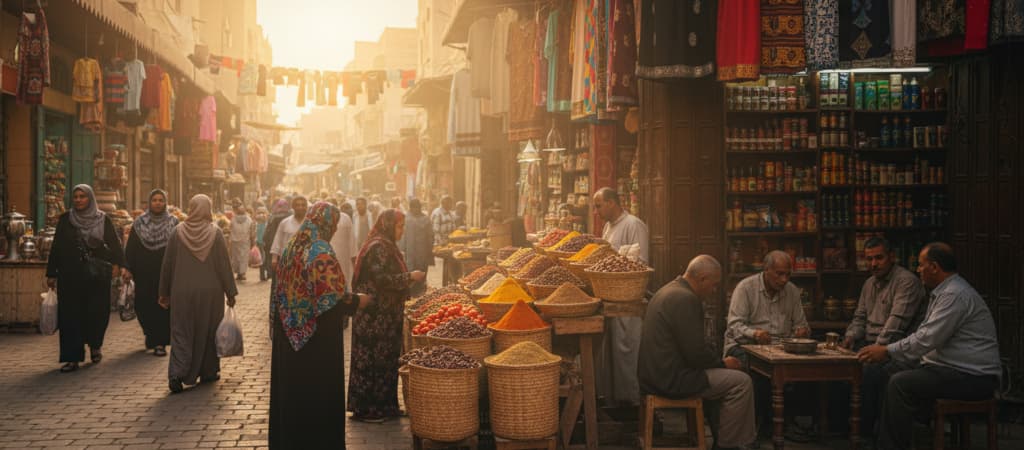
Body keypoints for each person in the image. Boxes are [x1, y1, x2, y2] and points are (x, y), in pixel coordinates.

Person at [859, 243, 1001, 450]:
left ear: (934, 267)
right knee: (885, 373)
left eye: (921, 265)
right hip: (949, 369)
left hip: (973, 376)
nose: (918, 270)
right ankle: (887, 438)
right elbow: (924, 337)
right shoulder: (943, 292)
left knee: (900, 383)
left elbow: (926, 339)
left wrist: (887, 350)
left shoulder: (954, 294)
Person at [269, 202, 373, 449]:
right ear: (326, 223)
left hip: (288, 334)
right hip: (316, 340)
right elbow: (333, 299)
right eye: (334, 224)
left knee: (292, 400)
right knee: (316, 400)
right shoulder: (320, 251)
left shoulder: (294, 244)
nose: (335, 229)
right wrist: (359, 301)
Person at [638, 255, 756, 450]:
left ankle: (724, 438)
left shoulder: (668, 289)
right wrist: (723, 363)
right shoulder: (685, 298)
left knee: (725, 379)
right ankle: (731, 445)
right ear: (702, 279)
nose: (714, 290)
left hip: (654, 375)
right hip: (670, 380)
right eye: (713, 284)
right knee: (741, 382)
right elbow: (695, 353)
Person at [841, 237, 927, 438]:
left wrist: (875, 350)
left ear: (892, 257)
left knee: (870, 372)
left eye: (878, 258)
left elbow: (895, 328)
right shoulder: (869, 283)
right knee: (836, 366)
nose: (873, 264)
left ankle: (866, 432)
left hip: (898, 350)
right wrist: (850, 337)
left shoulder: (906, 282)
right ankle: (842, 428)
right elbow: (859, 318)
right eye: (869, 259)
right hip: (869, 344)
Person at [348, 209, 427, 422]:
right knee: (373, 361)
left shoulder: (386, 244)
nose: (401, 231)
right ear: (388, 225)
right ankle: (368, 409)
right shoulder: (379, 247)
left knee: (387, 360)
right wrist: (410, 277)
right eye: (399, 226)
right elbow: (382, 279)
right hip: (374, 316)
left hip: (385, 316)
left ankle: (386, 406)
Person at [724, 250, 810, 436]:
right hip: (744, 345)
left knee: (801, 372)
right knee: (756, 375)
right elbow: (734, 326)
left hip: (779, 347)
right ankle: (751, 430)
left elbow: (801, 324)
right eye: (779, 274)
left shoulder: (792, 291)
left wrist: (802, 331)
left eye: (788, 274)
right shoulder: (745, 288)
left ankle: (784, 424)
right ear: (766, 270)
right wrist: (754, 334)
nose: (784, 279)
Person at [159, 194, 239, 393]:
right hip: (211, 292)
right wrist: (230, 292)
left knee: (181, 331)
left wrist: (163, 292)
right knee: (209, 330)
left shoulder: (177, 232)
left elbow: (167, 265)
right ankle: (209, 371)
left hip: (182, 291)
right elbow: (224, 265)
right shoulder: (216, 233)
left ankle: (177, 374)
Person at [45, 185, 126, 373]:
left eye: (83, 196)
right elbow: (56, 247)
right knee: (70, 317)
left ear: (90, 198)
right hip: (70, 276)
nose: (79, 200)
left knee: (96, 314)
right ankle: (72, 358)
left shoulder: (102, 220)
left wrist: (119, 265)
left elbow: (114, 244)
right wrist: (51, 273)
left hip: (96, 277)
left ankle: (95, 345)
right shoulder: (66, 220)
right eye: (76, 197)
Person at [592, 187, 650, 406]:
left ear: (612, 203)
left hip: (629, 300)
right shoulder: (608, 226)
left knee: (627, 348)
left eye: (599, 206)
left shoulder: (634, 225)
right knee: (612, 352)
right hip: (611, 298)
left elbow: (640, 262)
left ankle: (631, 403)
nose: (596, 211)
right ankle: (613, 401)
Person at [124, 189, 179, 357]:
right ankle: (150, 334)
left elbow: (178, 248)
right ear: (149, 202)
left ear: (165, 202)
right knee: (143, 306)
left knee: (162, 307)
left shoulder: (173, 222)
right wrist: (127, 268)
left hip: (164, 272)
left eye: (161, 200)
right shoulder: (139, 223)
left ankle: (160, 342)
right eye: (154, 200)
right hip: (143, 272)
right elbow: (131, 248)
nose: (157, 203)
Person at [399, 198, 434, 296]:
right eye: (413, 207)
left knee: (422, 274)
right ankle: (410, 295)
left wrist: (429, 250)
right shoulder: (405, 218)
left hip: (422, 253)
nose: (416, 209)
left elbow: (430, 236)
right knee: (409, 273)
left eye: (417, 207)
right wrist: (401, 251)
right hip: (409, 253)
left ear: (420, 207)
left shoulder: (426, 219)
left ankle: (420, 295)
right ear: (410, 208)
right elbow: (401, 236)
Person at [270, 196, 308, 269]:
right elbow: (277, 240)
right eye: (298, 205)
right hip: (287, 261)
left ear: (306, 207)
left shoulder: (310, 223)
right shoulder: (284, 223)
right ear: (293, 207)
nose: (300, 207)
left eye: (303, 205)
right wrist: (274, 259)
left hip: (305, 262)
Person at [328, 199, 356, 291]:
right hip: (327, 258)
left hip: (344, 260)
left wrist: (354, 260)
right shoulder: (321, 219)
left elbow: (352, 241)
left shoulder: (345, 218)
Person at [228, 199, 256, 281]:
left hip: (235, 241)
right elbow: (252, 231)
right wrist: (253, 241)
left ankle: (238, 273)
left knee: (236, 257)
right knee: (243, 257)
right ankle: (242, 273)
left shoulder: (233, 219)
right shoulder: (249, 219)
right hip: (245, 241)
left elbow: (230, 229)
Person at [263, 199, 291, 279]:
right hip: (286, 244)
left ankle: (270, 273)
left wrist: (265, 240)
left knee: (271, 259)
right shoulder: (290, 217)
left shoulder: (273, 217)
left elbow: (267, 231)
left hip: (272, 242)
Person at [255, 206, 270, 281]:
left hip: (261, 242)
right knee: (264, 259)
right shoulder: (265, 223)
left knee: (262, 259)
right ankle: (265, 274)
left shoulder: (257, 224)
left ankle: (263, 275)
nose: (262, 215)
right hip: (263, 242)